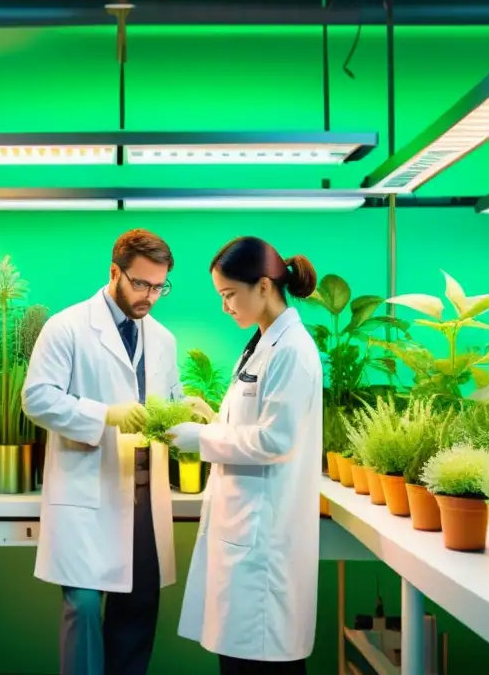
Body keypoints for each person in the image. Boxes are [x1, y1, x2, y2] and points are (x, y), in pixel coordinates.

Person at [21, 229, 183, 675]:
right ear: (115, 272)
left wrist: (184, 413)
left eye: (159, 286)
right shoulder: (67, 327)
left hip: (144, 493)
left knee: (139, 607)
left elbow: (165, 407)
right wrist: (105, 415)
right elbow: (36, 398)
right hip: (87, 490)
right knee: (84, 606)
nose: (150, 295)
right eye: (140, 284)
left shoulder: (163, 339)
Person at [167, 236, 323, 675]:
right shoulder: (261, 343)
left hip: (264, 545)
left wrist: (201, 438)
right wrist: (212, 421)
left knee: (259, 661)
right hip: (244, 531)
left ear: (264, 288)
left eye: (229, 295)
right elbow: (249, 426)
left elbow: (275, 441)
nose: (225, 307)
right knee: (237, 659)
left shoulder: (292, 350)